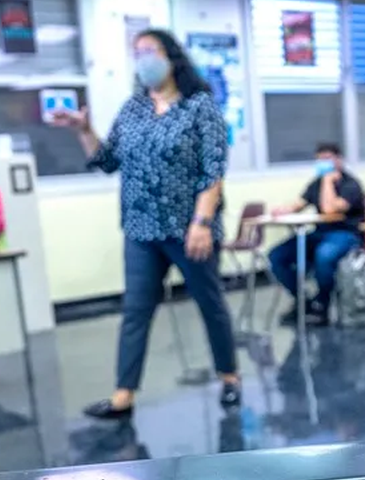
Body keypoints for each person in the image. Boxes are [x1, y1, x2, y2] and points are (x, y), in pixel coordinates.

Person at [53, 28, 240, 419]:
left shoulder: (200, 106)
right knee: (136, 310)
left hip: (190, 228)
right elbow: (106, 162)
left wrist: (202, 221)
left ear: (172, 57)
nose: (142, 60)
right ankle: (123, 394)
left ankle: (229, 377)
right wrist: (83, 130)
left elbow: (213, 171)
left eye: (149, 51)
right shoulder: (133, 108)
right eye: (136, 53)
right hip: (140, 228)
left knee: (210, 303)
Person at [269, 143, 365, 326]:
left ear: (339, 160)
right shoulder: (315, 183)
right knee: (277, 256)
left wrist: (328, 181)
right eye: (320, 160)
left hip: (345, 234)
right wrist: (283, 210)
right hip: (320, 233)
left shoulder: (350, 184)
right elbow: (299, 204)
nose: (323, 163)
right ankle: (303, 301)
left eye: (328, 159)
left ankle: (323, 304)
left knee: (324, 255)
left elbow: (330, 209)